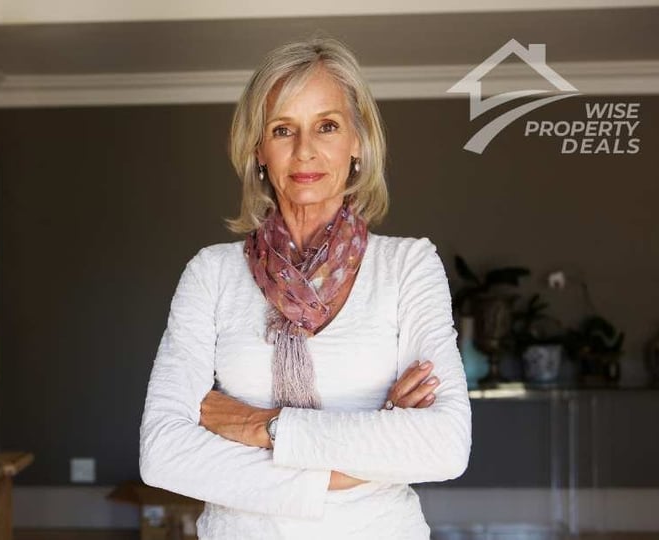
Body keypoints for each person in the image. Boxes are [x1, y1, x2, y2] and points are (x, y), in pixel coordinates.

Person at [139, 36, 471, 539]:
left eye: (328, 126)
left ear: (357, 140)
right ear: (258, 151)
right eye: (282, 129)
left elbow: (444, 445)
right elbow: (162, 454)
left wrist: (262, 427)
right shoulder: (211, 273)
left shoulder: (408, 265)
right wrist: (366, 453)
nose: (306, 151)